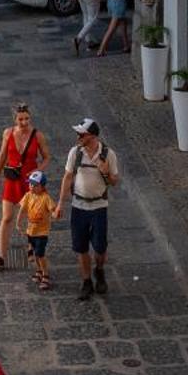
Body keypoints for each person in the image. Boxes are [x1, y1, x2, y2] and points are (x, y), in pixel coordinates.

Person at [57, 117, 120, 301]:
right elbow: (67, 178)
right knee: (81, 247)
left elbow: (115, 182)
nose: (78, 136)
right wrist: (60, 203)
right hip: (79, 206)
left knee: (100, 247)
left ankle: (99, 270)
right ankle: (86, 281)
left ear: (91, 136)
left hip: (99, 207)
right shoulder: (75, 153)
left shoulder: (108, 154)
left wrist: (106, 171)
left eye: (81, 134)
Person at [0, 103, 49, 268]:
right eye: (21, 119)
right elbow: (2, 155)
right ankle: (1, 256)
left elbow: (47, 158)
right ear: (15, 119)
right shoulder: (8, 133)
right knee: (7, 217)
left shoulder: (38, 136)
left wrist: (37, 170)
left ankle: (31, 247)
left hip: (31, 182)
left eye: (27, 118)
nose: (24, 122)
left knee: (32, 216)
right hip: (12, 180)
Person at [18, 169, 58, 291]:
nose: (31, 187)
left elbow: (53, 210)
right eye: (30, 184)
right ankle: (39, 270)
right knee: (35, 253)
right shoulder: (28, 195)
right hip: (31, 231)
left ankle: (45, 274)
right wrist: (18, 223)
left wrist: (55, 214)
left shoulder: (46, 198)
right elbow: (22, 210)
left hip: (42, 232)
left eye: (35, 185)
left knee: (40, 254)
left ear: (42, 186)